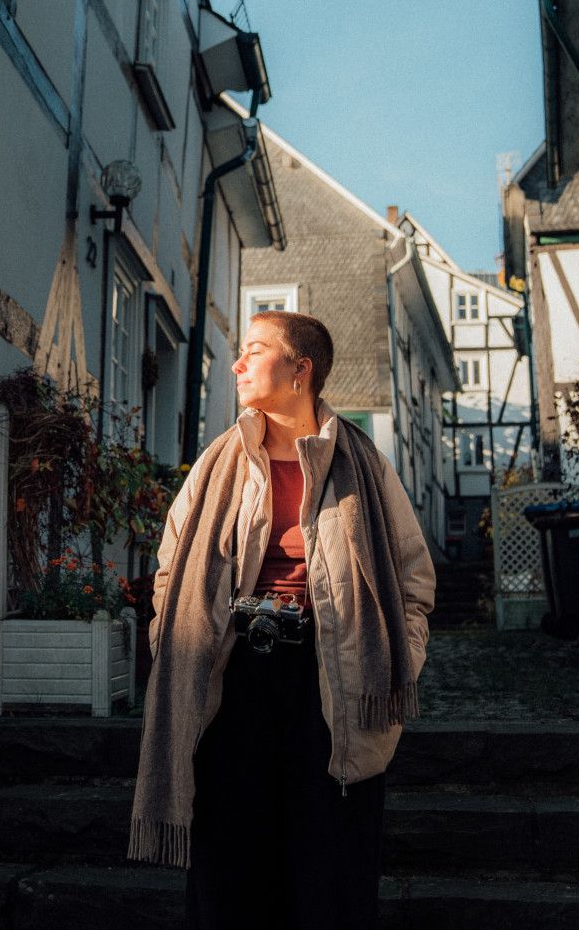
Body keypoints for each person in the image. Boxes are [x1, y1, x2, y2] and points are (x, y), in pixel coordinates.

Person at [126, 309, 436, 928]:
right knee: (232, 864)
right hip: (231, 677)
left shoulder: (364, 465)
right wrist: (174, 640)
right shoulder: (221, 461)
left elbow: (413, 581)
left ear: (301, 370)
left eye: (255, 350)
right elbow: (170, 569)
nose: (238, 364)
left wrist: (398, 656)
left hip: (331, 678)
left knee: (331, 864)